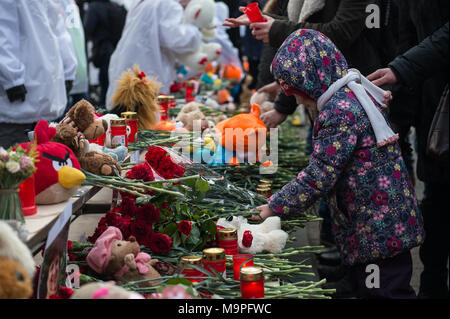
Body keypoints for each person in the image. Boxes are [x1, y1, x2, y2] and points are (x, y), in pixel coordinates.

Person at [254, 29, 424, 299]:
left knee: (386, 292)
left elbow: (319, 175)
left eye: (296, 92)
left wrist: (275, 205)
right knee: (373, 289)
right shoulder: (347, 94)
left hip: (377, 228)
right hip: (377, 222)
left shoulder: (339, 112)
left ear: (310, 81)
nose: (296, 100)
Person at [368, 22, 449, 299]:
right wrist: (396, 128)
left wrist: (401, 68)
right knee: (436, 199)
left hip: (438, 100)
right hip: (432, 110)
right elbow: (408, 39)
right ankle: (431, 284)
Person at [0, 0, 77, 149]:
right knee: (14, 163)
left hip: (44, 93)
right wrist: (11, 78)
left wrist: (69, 70)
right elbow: (4, 31)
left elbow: (59, 30)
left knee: (42, 161)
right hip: (16, 101)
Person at [105, 0, 202, 109]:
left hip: (127, 69)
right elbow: (179, 40)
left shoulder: (143, 3)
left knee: (124, 115)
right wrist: (194, 24)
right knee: (144, 118)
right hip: (148, 75)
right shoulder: (168, 5)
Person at [84, 0, 127, 107]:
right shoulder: (116, 7)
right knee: (113, 86)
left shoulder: (94, 7)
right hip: (117, 52)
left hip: (103, 52)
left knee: (104, 89)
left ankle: (105, 117)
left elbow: (87, 30)